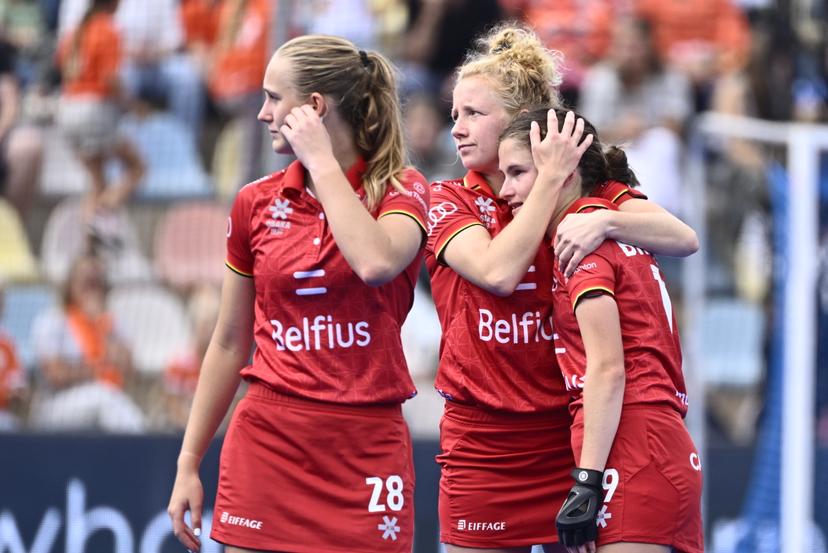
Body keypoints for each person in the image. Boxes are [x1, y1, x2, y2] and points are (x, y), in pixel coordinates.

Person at [425, 24, 699, 553]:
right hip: (484, 444)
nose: (457, 128)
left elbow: (684, 238)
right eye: (454, 113)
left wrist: (606, 219)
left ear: (525, 119)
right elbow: (498, 272)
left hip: (575, 434)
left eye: (474, 113)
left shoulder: (589, 198)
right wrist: (548, 181)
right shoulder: (448, 198)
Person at [167, 35, 429, 553]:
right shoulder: (253, 202)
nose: (263, 113)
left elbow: (375, 262)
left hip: (367, 447)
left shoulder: (404, 188)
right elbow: (228, 342)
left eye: (273, 98)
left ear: (314, 108)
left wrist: (322, 161)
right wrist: (188, 462)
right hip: (269, 441)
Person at [497, 108, 703, 552]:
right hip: (654, 441)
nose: (504, 190)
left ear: (565, 172)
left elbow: (608, 369)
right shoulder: (610, 219)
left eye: (517, 173)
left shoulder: (580, 241)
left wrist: (586, 481)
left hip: (633, 443)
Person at [29, 251, 145, 432]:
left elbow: (129, 371)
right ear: (71, 285)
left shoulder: (111, 322)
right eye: (87, 283)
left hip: (106, 396)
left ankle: (142, 441)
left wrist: (101, 327)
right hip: (56, 405)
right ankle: (142, 446)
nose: (92, 289)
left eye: (97, 283)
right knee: (105, 397)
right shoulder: (53, 320)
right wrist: (99, 367)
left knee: (110, 398)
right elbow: (55, 374)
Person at [55, 0, 145, 218]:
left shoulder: (75, 31)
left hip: (68, 110)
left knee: (97, 184)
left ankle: (90, 234)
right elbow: (109, 78)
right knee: (137, 168)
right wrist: (134, 106)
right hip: (93, 111)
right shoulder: (107, 30)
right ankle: (101, 213)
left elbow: (62, 69)